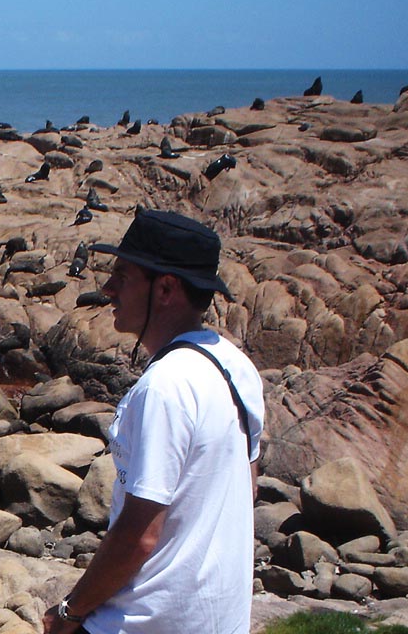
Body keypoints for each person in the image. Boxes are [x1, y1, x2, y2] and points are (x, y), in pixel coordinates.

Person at [43, 208, 265, 634]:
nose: (107, 289)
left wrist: (69, 613)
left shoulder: (165, 387)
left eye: (123, 276)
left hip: (148, 623)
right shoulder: (237, 366)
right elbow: (247, 485)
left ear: (165, 289)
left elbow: (139, 536)